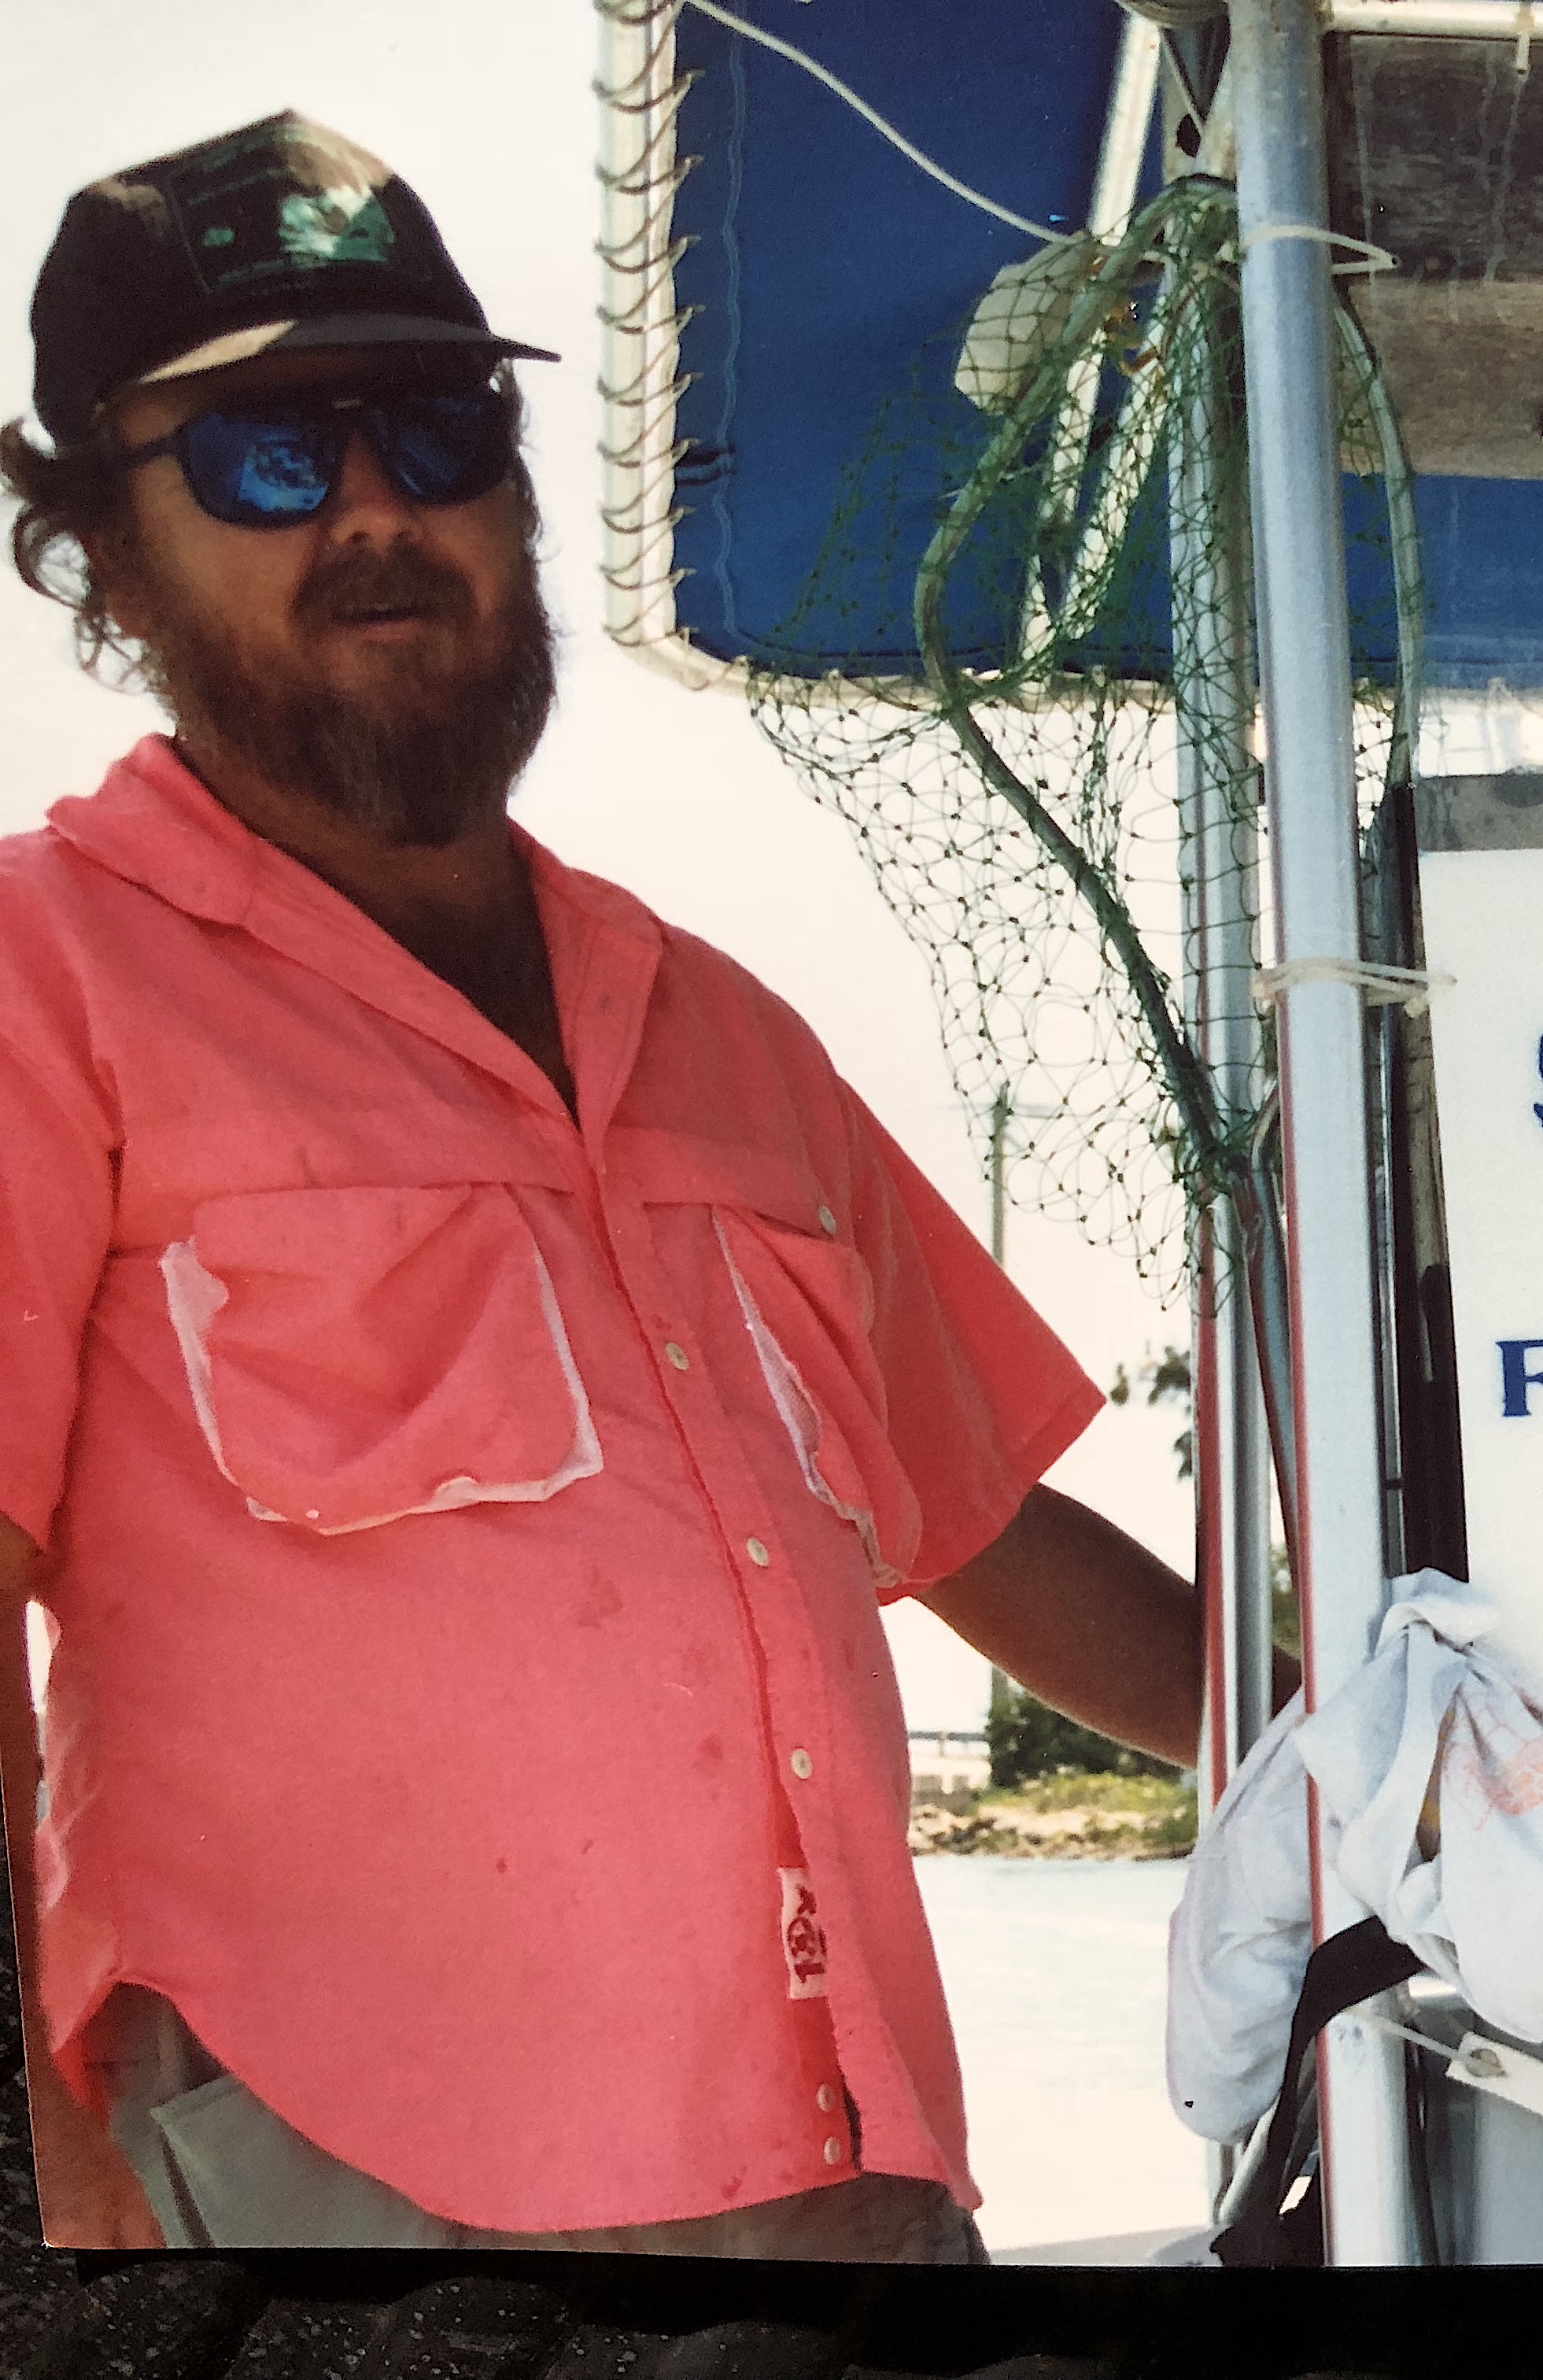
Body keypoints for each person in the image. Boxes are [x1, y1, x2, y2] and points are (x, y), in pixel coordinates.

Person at [0, 112, 1204, 2256]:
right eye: (269, 456)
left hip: (859, 2175)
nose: (378, 510)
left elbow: (981, 1519)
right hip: (345, 2188)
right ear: (100, 552)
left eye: (437, 431)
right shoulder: (42, 978)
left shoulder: (716, 1024)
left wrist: (1342, 1756)